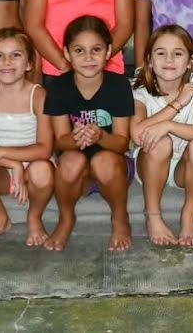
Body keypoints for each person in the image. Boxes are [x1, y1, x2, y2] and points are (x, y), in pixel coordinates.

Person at [43, 15, 135, 253]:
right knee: (70, 162)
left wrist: (100, 137)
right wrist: (76, 139)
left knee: (104, 161)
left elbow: (122, 143)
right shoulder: (58, 87)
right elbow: (60, 141)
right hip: (78, 167)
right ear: (67, 53)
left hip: (113, 164)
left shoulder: (119, 86)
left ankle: (119, 217)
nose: (88, 58)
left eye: (96, 50)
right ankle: (66, 218)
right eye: (79, 51)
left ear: (108, 51)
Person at [0, 28, 55, 249]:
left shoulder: (39, 95)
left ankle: (34, 217)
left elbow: (44, 148)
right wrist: (12, 164)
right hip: (1, 169)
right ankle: (0, 219)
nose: (7, 62)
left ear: (29, 63)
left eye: (16, 55)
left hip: (33, 166)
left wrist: (3, 153)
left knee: (42, 170)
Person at [130, 24, 193, 247]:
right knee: (161, 142)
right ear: (149, 60)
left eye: (177, 54)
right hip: (151, 161)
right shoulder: (140, 84)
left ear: (190, 61)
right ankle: (153, 215)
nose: (169, 60)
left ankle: (189, 214)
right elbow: (137, 135)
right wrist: (178, 104)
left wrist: (168, 125)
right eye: (161, 53)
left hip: (184, 167)